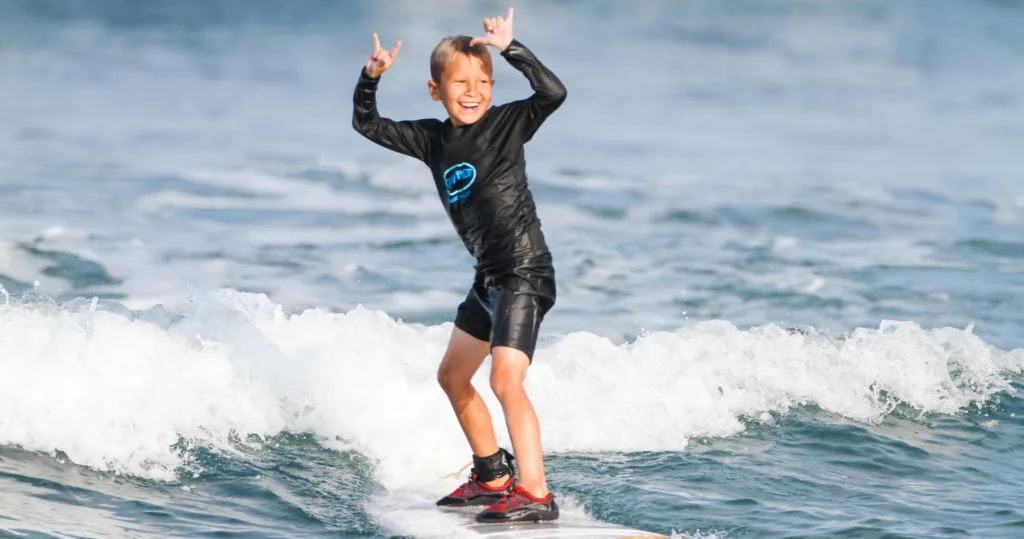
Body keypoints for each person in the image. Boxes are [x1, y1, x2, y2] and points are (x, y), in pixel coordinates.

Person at [351, 7, 566, 523]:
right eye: (461, 83)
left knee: (505, 381)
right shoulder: (433, 140)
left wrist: (511, 50)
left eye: (483, 82)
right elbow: (367, 124)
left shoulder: (507, 125)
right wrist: (370, 77)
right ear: (435, 90)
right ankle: (493, 477)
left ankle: (535, 494)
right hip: (488, 279)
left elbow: (552, 93)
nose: (473, 92)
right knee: (452, 376)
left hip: (524, 272)